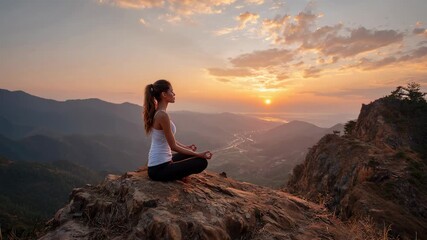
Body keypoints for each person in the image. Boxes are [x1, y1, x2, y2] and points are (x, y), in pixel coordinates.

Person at [143, 79, 212, 181]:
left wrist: (186, 147)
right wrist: (199, 154)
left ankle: (179, 173)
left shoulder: (159, 112)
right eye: (171, 91)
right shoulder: (162, 115)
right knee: (201, 162)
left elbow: (170, 140)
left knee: (187, 152)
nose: (174, 94)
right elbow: (173, 146)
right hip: (158, 169)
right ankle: (180, 175)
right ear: (164, 94)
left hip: (163, 162)